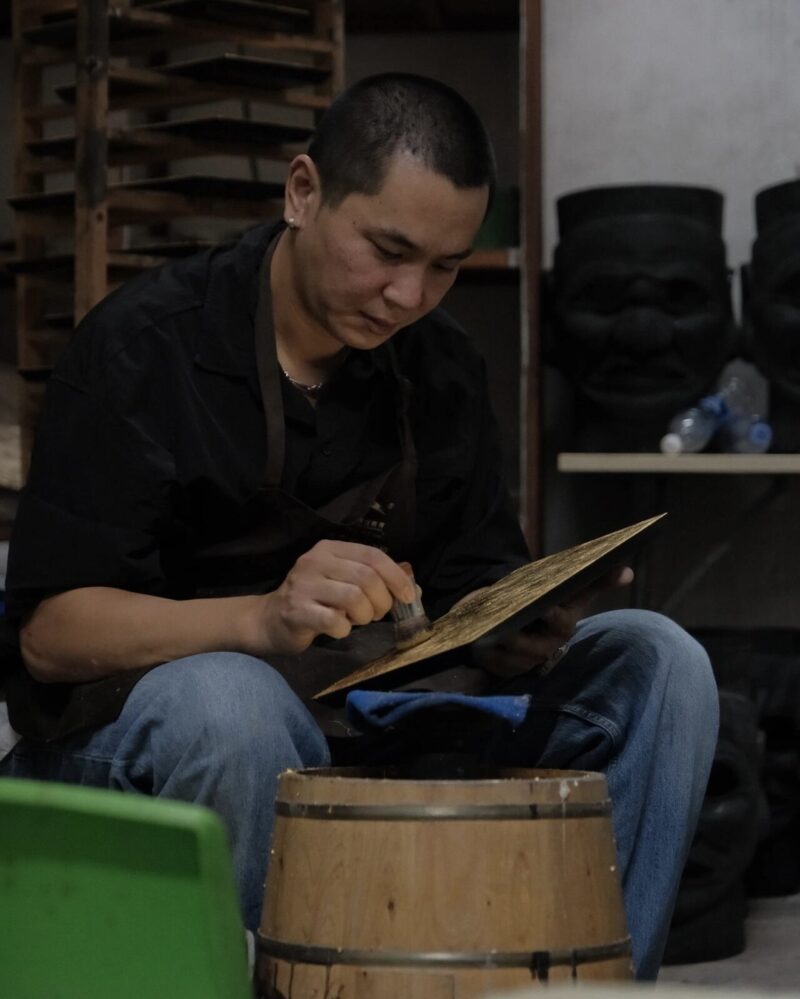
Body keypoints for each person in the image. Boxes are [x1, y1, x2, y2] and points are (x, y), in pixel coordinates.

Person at [0, 73, 717, 979]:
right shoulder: (145, 347)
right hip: (147, 749)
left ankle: (590, 984)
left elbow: (474, 582)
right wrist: (259, 620)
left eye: (446, 266)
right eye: (386, 249)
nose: (408, 296)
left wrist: (516, 630)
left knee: (659, 661)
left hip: (369, 724)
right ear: (303, 192)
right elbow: (48, 635)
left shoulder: (442, 364)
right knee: (231, 700)